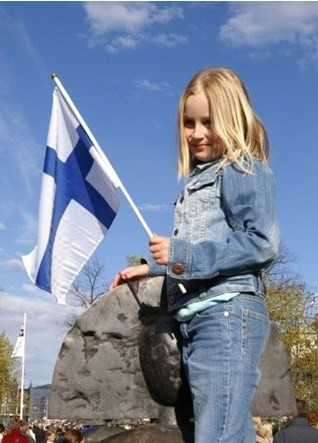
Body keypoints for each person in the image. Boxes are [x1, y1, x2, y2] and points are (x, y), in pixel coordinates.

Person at [110, 66, 280, 442]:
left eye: (209, 121)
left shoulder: (242, 169)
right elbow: (208, 246)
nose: (197, 133)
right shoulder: (199, 179)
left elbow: (261, 243)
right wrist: (154, 269)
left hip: (227, 314)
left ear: (234, 119)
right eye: (189, 122)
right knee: (221, 432)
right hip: (198, 317)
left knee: (218, 435)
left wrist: (181, 253)